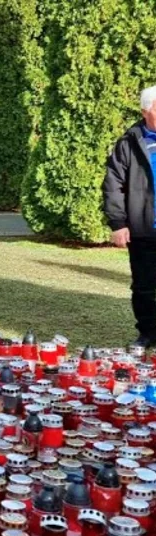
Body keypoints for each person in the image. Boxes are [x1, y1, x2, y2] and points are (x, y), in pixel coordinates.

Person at [104, 85, 156, 347]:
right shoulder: (129, 143)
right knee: (144, 286)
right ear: (145, 111)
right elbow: (113, 184)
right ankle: (148, 333)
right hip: (144, 227)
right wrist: (118, 223)